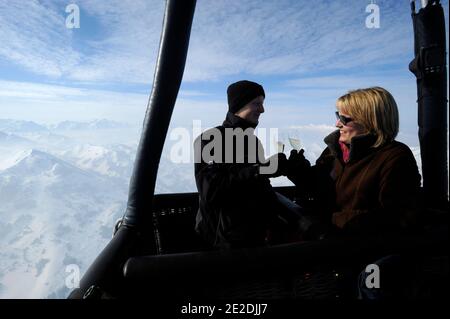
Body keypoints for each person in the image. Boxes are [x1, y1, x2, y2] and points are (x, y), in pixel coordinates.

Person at [287, 87, 422, 237]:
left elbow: (396, 216)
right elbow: (319, 187)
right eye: (338, 115)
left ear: (370, 121)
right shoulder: (336, 150)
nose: (337, 124)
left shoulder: (394, 157)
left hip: (358, 248)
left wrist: (329, 218)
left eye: (345, 119)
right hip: (323, 237)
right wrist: (296, 170)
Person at [194, 80, 291, 249]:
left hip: (254, 236)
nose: (262, 110)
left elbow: (258, 184)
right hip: (222, 243)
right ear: (239, 105)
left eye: (262, 104)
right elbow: (211, 191)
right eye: (257, 104)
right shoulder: (211, 139)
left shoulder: (253, 141)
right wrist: (258, 170)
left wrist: (282, 168)